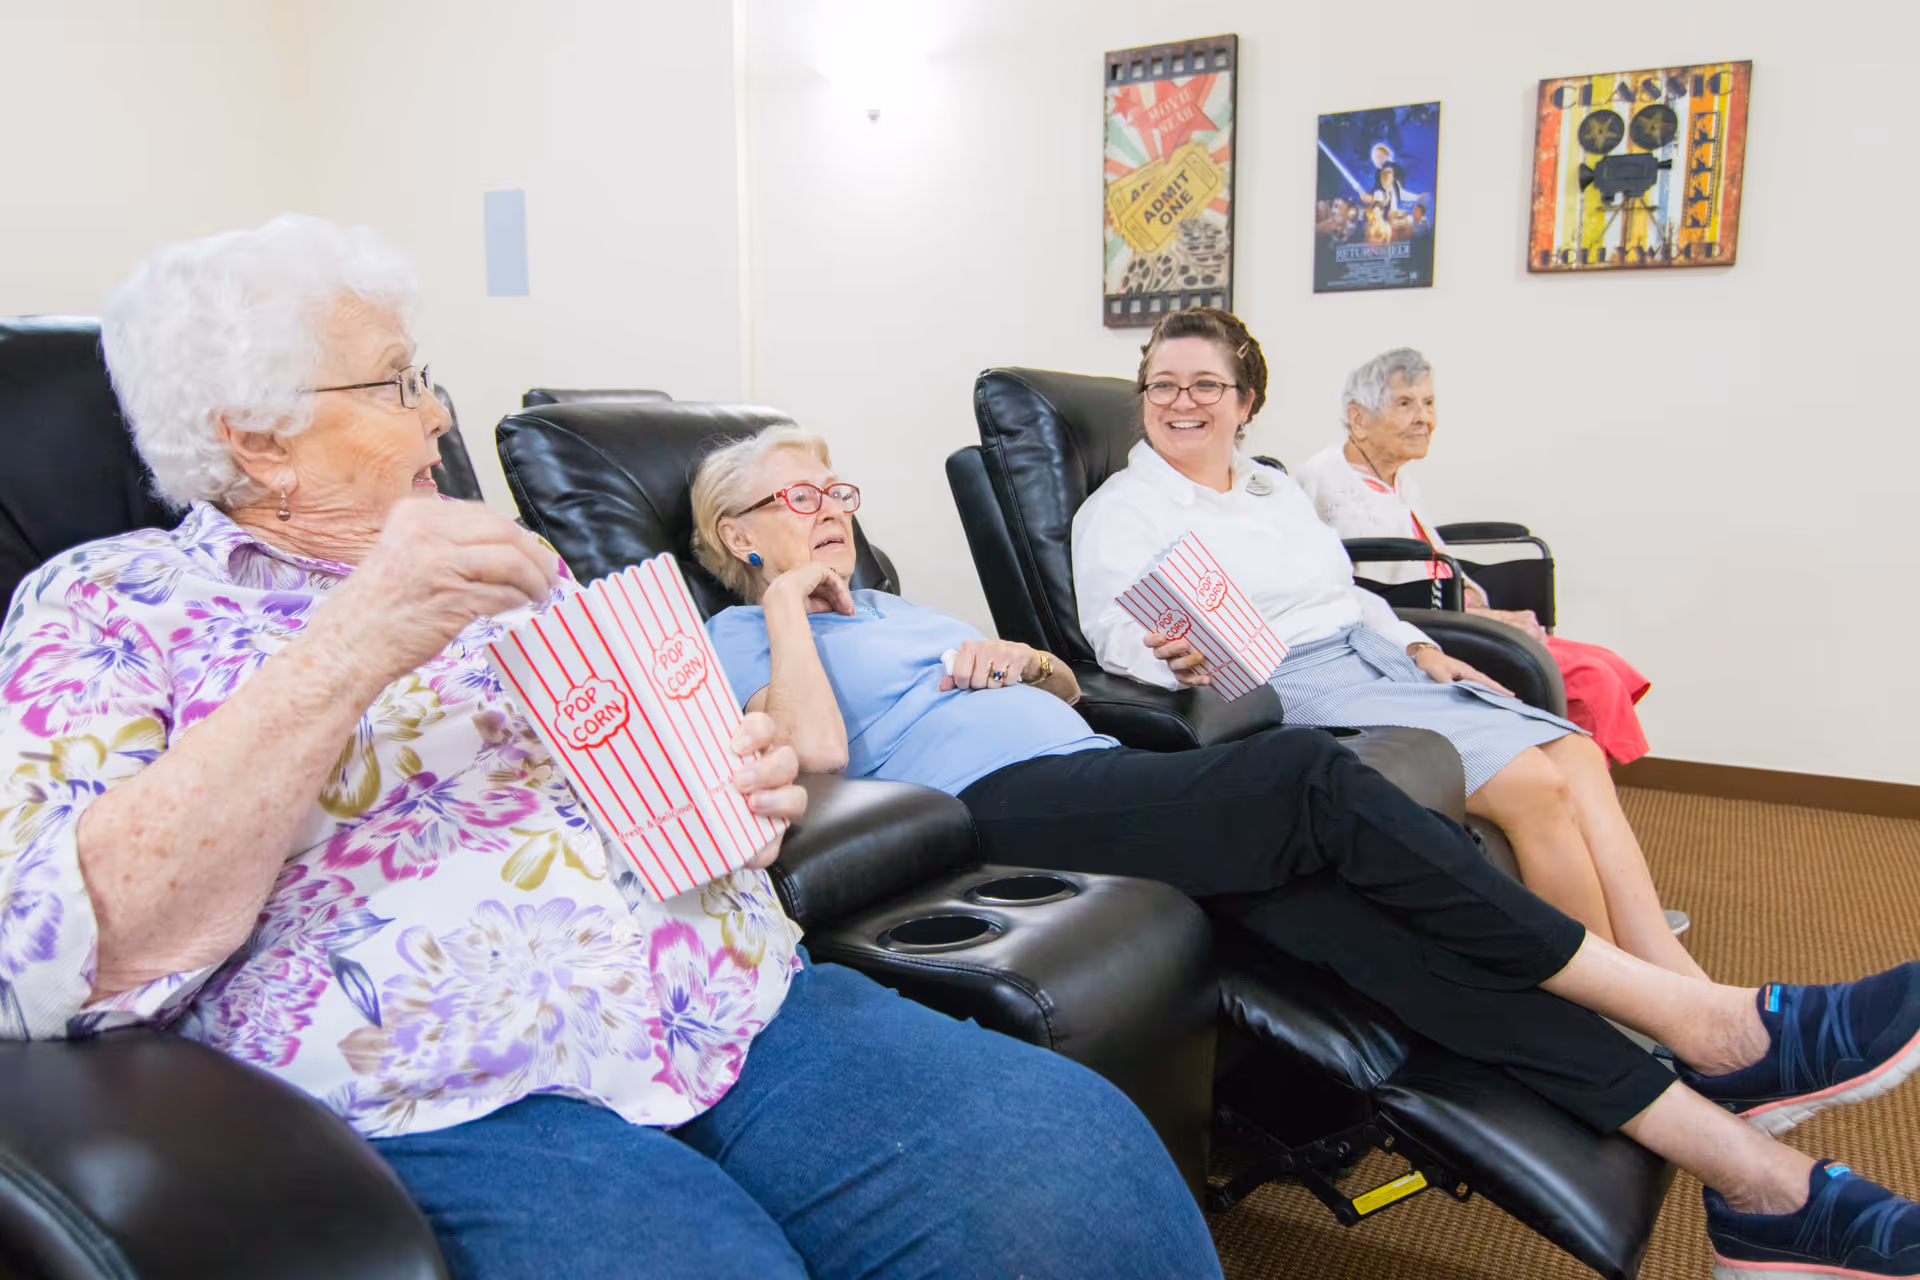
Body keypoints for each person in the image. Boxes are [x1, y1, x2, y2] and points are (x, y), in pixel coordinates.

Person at [0, 216, 1219, 1280]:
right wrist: (349, 644)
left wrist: (739, 775)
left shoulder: (508, 571)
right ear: (258, 440)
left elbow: (673, 763)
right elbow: (50, 949)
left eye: (422, 375)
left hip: (744, 1003)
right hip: (453, 1094)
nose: (436, 412)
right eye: (391, 384)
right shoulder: (110, 604)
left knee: (1076, 1173)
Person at [690, 422, 1920, 1279]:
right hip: (997, 813)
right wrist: (788, 601)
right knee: (1309, 773)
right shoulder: (740, 634)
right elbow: (813, 753)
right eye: (797, 500)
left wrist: (1025, 658)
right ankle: (1709, 1025)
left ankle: (1761, 1187)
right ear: (735, 532)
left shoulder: (908, 606)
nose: (830, 512)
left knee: (1369, 931)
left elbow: (1061, 679)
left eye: (836, 490)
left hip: (1092, 769)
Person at [1072, 307, 1695, 978]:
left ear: (1244, 400)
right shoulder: (1123, 508)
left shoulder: (1270, 488)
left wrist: (1419, 649)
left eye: (1205, 385)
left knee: (1575, 751)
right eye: (1162, 385)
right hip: (1281, 685)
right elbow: (1116, 632)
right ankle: (1628, 1017)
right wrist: (1172, 658)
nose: (1181, 402)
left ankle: (1671, 976)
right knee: (1532, 783)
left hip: (1369, 659)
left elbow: (1345, 592)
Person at [1294, 346, 1653, 767]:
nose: (1424, 418)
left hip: (1454, 609)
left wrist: (1478, 597)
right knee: (1594, 678)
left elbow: (1429, 557)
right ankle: (1571, 784)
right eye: (1405, 404)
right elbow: (1380, 590)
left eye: (1428, 403)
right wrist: (1490, 619)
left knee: (1610, 663)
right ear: (1358, 417)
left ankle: (1574, 780)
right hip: (1418, 630)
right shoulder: (1327, 481)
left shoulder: (1397, 479)